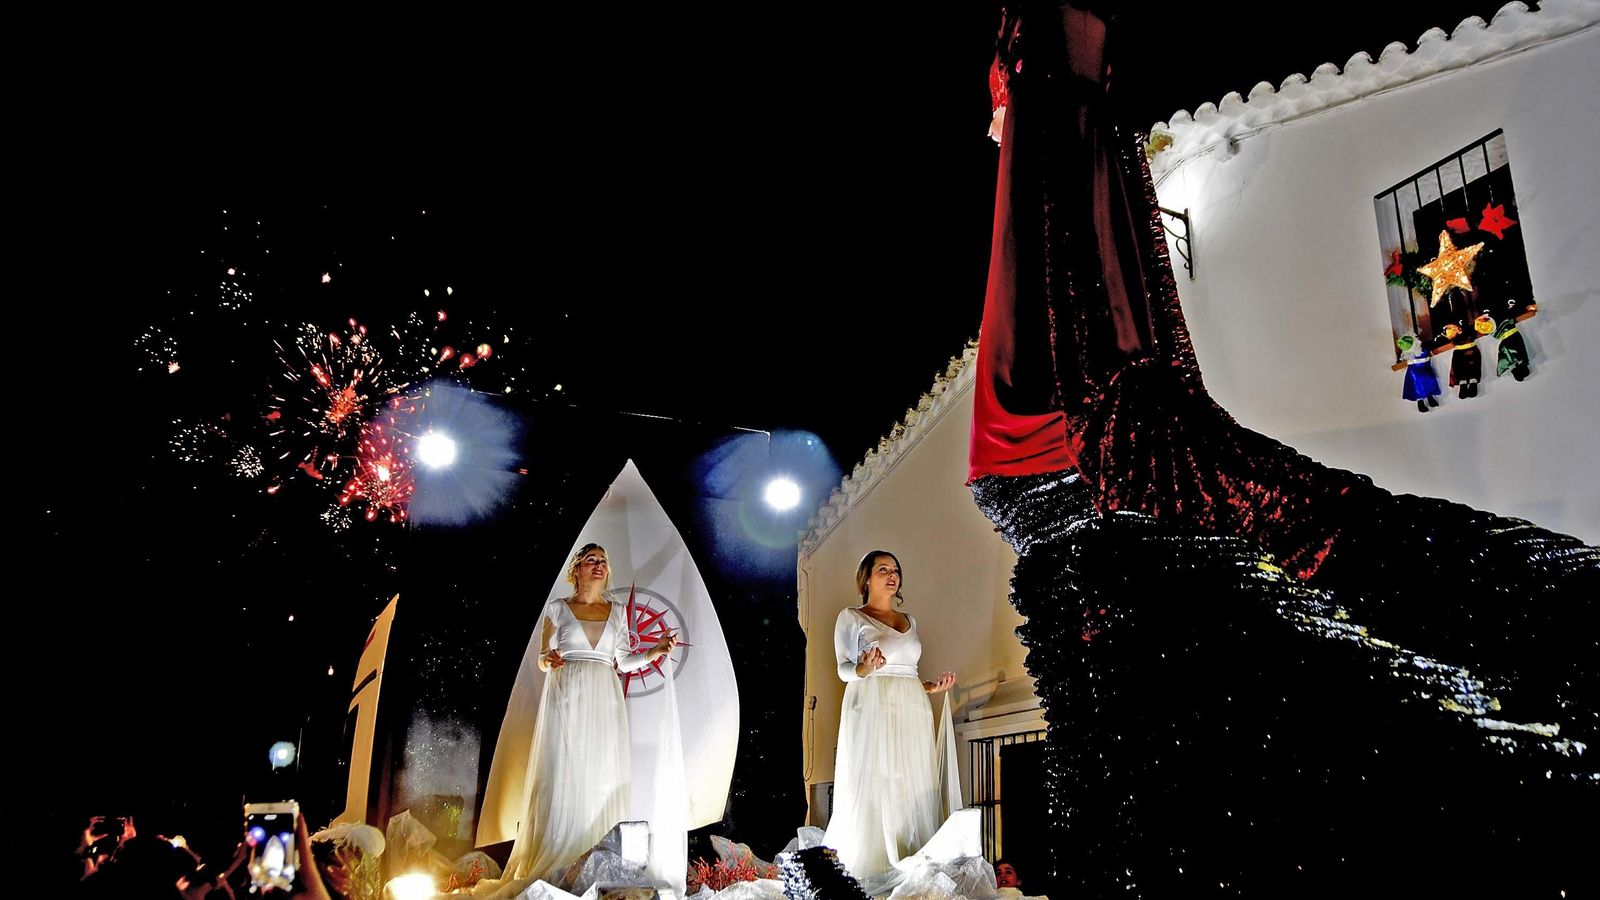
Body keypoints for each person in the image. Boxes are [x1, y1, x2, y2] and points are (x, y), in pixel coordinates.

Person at [503, 543, 677, 883]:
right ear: (577, 569)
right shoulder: (557, 609)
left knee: (599, 771)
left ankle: (596, 857)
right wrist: (547, 660)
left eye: (603, 561)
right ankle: (559, 855)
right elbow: (541, 657)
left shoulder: (616, 612)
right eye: (590, 560)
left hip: (604, 695)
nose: (598, 565)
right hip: (567, 693)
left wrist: (654, 651)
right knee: (566, 770)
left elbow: (623, 660)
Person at [822, 550, 957, 882]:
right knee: (878, 779)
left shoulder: (912, 620)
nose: (891, 574)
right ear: (866, 578)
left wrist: (927, 686)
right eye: (883, 569)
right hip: (871, 705)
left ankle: (908, 850)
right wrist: (864, 667)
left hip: (911, 706)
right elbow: (843, 670)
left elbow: (906, 670)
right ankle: (875, 861)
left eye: (895, 569)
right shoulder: (852, 617)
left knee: (909, 780)